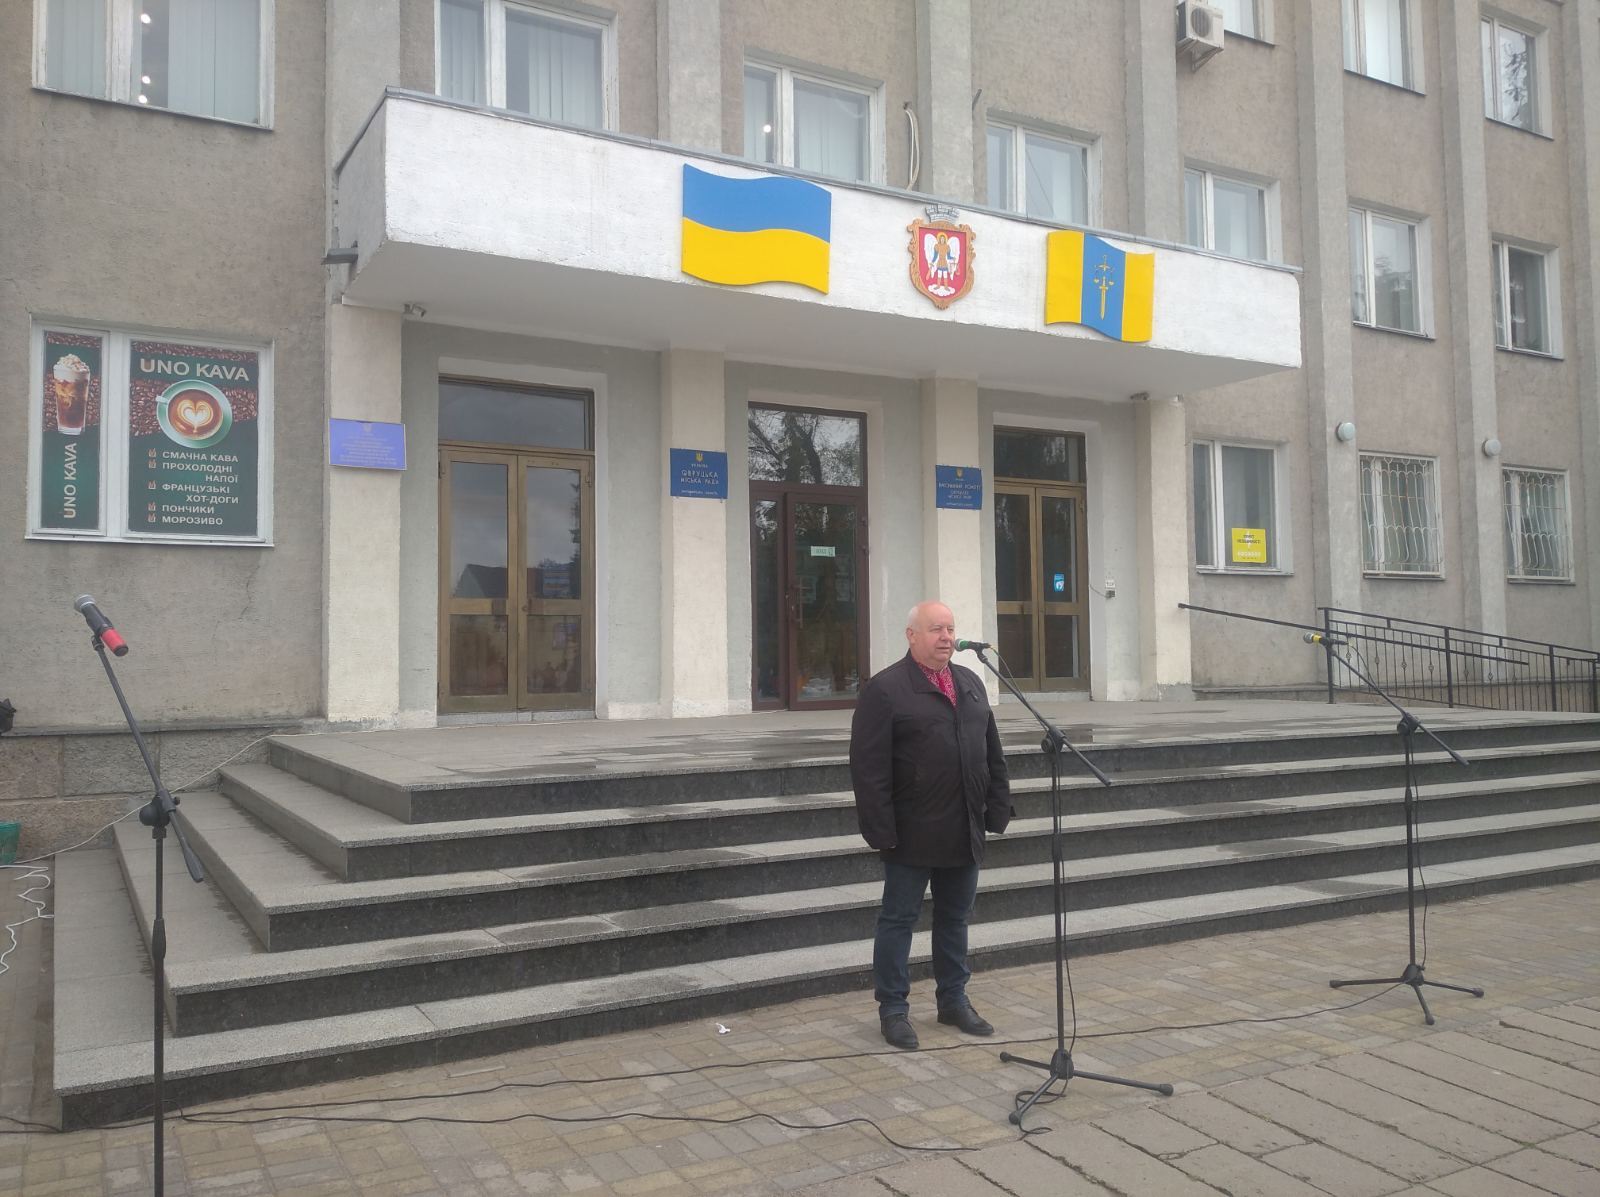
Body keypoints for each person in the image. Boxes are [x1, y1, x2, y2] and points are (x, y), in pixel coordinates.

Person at [849, 600, 1012, 1050]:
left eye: (950, 629)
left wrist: (997, 805)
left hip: (963, 825)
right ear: (912, 635)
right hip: (911, 830)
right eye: (936, 629)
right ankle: (893, 1009)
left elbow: (991, 751)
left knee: (955, 918)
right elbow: (868, 768)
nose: (946, 637)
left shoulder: (970, 682)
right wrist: (880, 830)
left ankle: (953, 999)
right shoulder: (885, 690)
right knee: (898, 920)